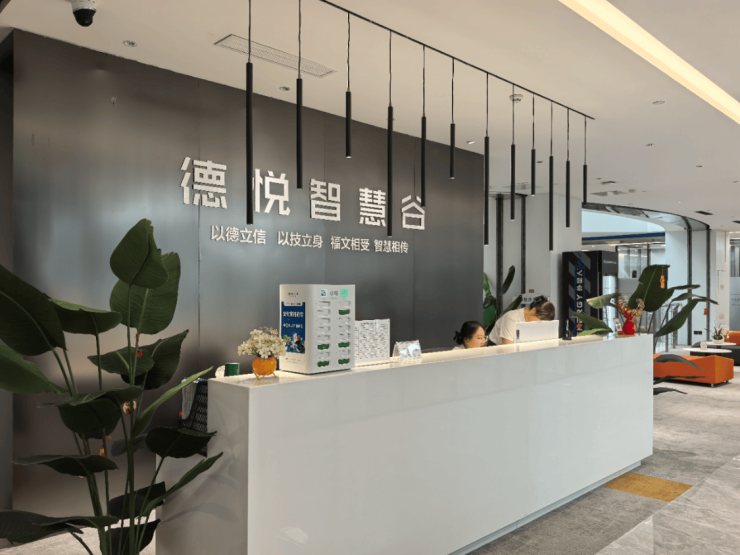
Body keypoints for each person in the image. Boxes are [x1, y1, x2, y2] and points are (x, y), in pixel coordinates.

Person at [489, 296, 555, 345]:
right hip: (495, 349)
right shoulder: (511, 318)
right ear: (534, 310)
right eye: (540, 319)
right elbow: (507, 347)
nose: (540, 323)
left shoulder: (532, 320)